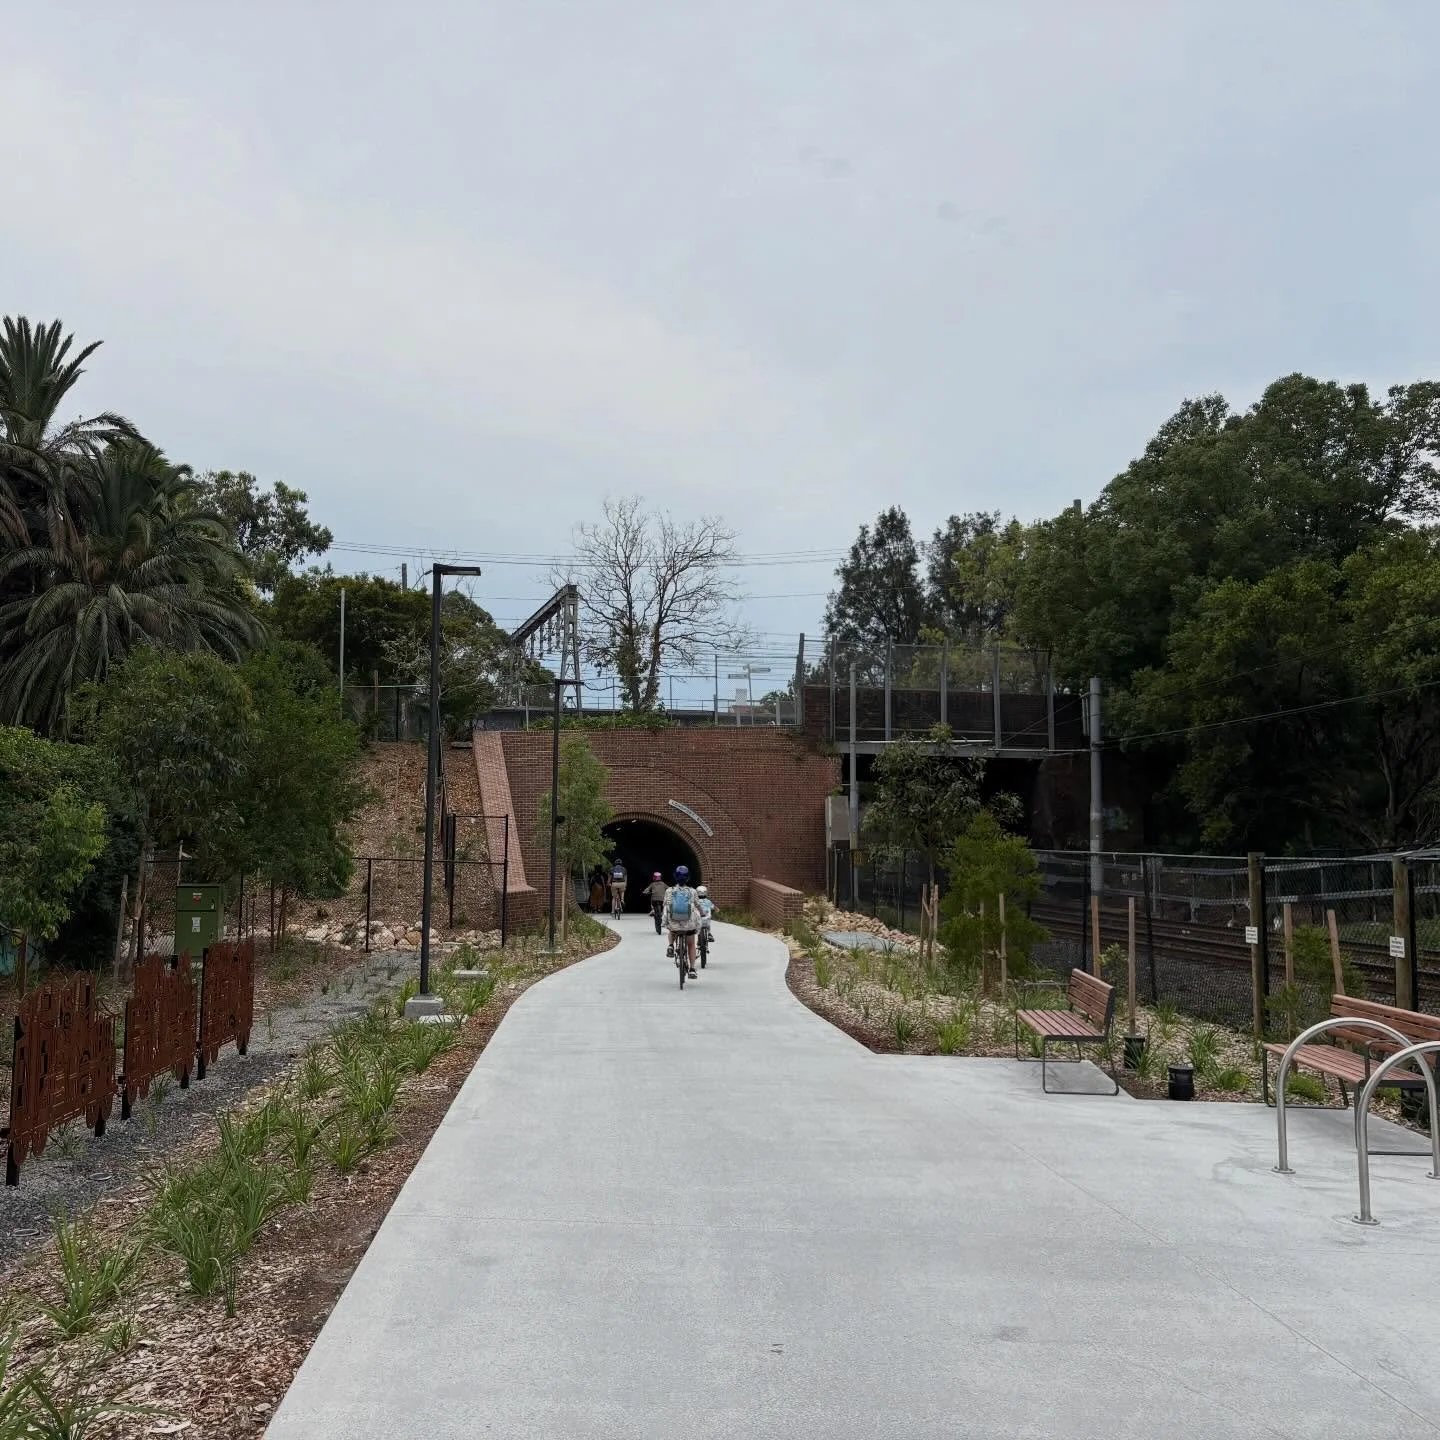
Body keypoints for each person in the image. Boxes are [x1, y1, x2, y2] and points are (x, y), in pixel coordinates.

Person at [666, 865, 701, 979]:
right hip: (688, 924)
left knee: (671, 928)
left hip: (674, 922)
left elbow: (666, 905)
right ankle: (692, 969)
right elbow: (698, 905)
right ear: (688, 878)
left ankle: (671, 945)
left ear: (675, 877)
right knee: (691, 944)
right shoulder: (692, 891)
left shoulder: (669, 890)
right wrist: (703, 912)